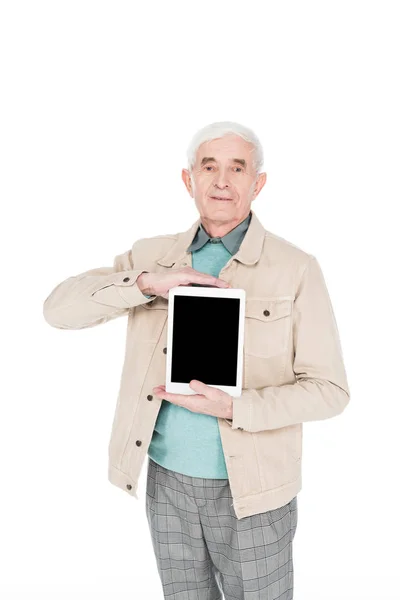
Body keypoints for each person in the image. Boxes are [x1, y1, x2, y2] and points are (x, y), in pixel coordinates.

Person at [43, 121, 350, 599]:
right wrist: (145, 283)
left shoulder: (296, 268)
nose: (222, 181)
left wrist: (235, 407)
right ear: (189, 180)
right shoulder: (151, 255)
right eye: (209, 167)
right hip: (167, 485)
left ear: (258, 183)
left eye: (237, 168)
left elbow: (330, 391)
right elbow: (58, 310)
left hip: (254, 492)